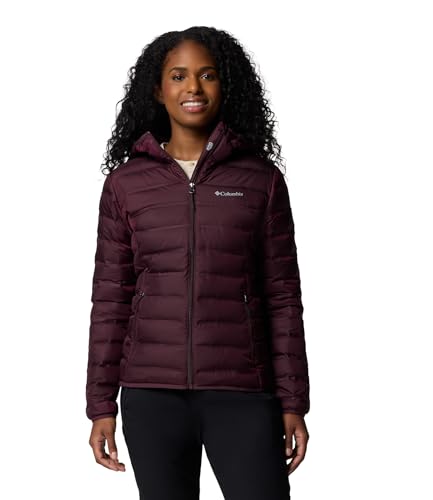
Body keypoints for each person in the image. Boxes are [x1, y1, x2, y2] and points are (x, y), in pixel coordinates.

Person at [86, 26, 310, 500]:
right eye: (179, 76)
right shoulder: (126, 184)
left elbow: (283, 298)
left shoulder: (260, 181)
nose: (193, 87)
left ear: (226, 85)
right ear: (157, 89)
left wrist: (293, 401)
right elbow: (110, 298)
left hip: (242, 390)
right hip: (151, 394)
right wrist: (101, 404)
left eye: (207, 75)